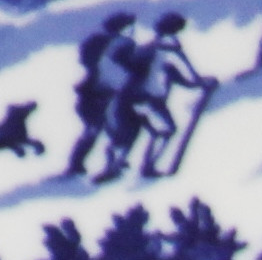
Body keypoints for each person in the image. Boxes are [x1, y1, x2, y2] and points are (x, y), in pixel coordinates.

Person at [128, 11, 215, 178]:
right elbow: (186, 75)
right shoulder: (166, 51)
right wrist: (201, 82)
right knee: (166, 130)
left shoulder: (149, 49)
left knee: (160, 130)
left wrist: (196, 82)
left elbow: (177, 76)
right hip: (150, 98)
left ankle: (147, 164)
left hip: (138, 98)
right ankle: (148, 167)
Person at [66, 13, 138, 177]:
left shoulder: (99, 42)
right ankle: (80, 163)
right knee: (99, 128)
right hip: (98, 93)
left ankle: (88, 162)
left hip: (98, 92)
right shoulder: (119, 44)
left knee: (105, 128)